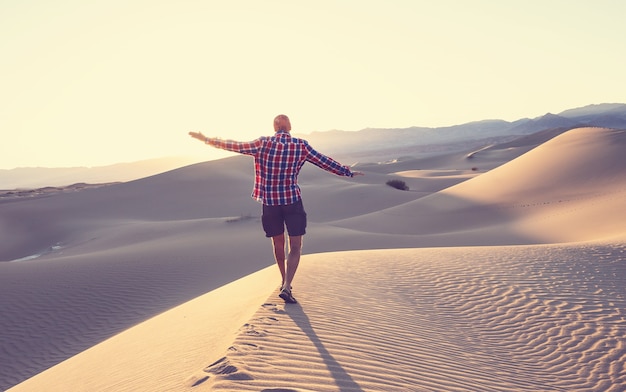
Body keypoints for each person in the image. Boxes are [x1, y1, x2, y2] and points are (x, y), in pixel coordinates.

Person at [189, 114, 363, 304]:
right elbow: (324, 161)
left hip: (270, 203)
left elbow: (235, 145)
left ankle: (283, 281)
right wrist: (347, 172)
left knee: (278, 244)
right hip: (292, 200)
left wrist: (206, 140)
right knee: (295, 246)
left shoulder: (262, 143)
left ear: (274, 127)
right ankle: (287, 285)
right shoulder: (300, 145)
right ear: (290, 127)